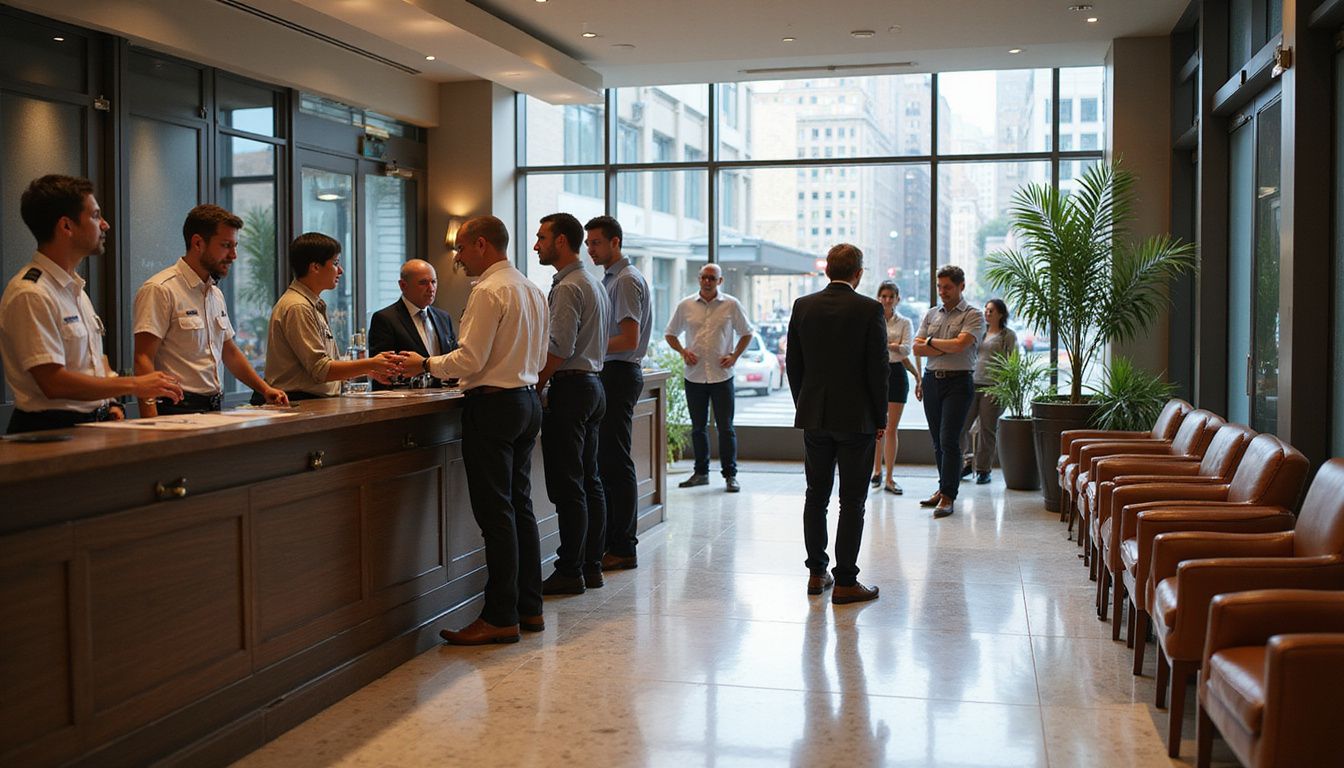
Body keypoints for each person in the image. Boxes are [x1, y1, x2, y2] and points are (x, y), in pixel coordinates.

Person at [401, 216, 548, 646]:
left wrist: (423, 364)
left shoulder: (488, 291)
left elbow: (468, 359)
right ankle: (529, 607)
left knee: (497, 514)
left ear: (481, 245)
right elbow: (539, 356)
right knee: (519, 508)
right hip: (525, 401)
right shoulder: (531, 289)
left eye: (461, 249)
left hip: (494, 406)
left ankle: (501, 615)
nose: (458, 257)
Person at [1, 174, 182, 434]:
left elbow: (92, 362)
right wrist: (135, 385)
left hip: (91, 425)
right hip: (48, 432)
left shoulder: (74, 289)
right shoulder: (31, 292)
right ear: (66, 226)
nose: (105, 225)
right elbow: (53, 383)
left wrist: (109, 403)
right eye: (96, 215)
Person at [785, 243, 887, 605]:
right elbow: (877, 370)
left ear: (827, 270)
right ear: (858, 273)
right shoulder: (869, 309)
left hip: (815, 416)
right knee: (852, 501)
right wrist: (880, 417)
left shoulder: (803, 306)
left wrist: (806, 404)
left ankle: (816, 573)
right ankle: (845, 581)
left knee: (816, 495)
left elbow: (793, 365)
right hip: (856, 419)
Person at [133, 204, 287, 415]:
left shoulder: (215, 294)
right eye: (226, 245)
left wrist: (264, 389)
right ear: (198, 243)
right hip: (175, 409)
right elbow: (143, 358)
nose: (233, 255)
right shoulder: (160, 289)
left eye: (235, 246)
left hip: (214, 409)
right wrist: (149, 420)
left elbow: (229, 351)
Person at [533, 213, 609, 596]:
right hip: (594, 385)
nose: (536, 245)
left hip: (572, 389)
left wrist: (538, 383)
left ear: (561, 241)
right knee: (590, 481)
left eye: (541, 237)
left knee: (569, 486)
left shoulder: (567, 287)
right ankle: (592, 565)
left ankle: (569, 570)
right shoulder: (594, 283)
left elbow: (558, 347)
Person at [261, 233, 403, 402]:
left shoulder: (311, 304)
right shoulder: (298, 306)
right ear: (315, 267)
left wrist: (368, 371)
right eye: (335, 263)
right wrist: (371, 363)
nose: (340, 270)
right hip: (300, 402)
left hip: (312, 401)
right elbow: (321, 369)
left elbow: (324, 366)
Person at [584, 215, 652, 571]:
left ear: (615, 243)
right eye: (588, 243)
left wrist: (588, 344)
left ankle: (624, 546)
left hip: (619, 373)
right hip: (615, 372)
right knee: (610, 460)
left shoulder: (625, 281)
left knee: (615, 461)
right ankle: (617, 541)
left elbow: (629, 339)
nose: (590, 249)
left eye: (596, 243)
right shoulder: (614, 279)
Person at [664, 263, 753, 493]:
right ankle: (701, 473)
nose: (707, 281)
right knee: (698, 428)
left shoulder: (731, 305)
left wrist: (734, 355)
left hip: (722, 376)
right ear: (698, 278)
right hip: (694, 376)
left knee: (726, 428)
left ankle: (730, 475)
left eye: (712, 278)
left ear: (720, 281)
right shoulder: (686, 305)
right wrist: (683, 351)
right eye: (704, 277)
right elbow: (670, 333)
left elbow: (747, 332)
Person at [913, 265, 985, 519]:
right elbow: (916, 348)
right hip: (932, 381)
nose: (942, 292)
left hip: (959, 382)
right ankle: (942, 487)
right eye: (939, 287)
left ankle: (948, 496)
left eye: (948, 287)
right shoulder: (931, 314)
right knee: (937, 441)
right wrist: (945, 347)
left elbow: (961, 345)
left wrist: (931, 343)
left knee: (949, 439)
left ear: (961, 286)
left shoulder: (973, 314)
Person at [367, 258, 457, 388]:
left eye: (433, 282)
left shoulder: (443, 317)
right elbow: (383, 370)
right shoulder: (384, 318)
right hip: (406, 401)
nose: (431, 288)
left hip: (446, 399)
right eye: (423, 283)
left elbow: (453, 359)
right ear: (403, 285)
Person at [869, 281, 921, 495]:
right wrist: (893, 345)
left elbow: (906, 350)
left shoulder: (905, 322)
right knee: (876, 428)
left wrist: (886, 345)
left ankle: (889, 477)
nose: (887, 300)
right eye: (883, 295)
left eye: (891, 296)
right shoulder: (871, 319)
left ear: (897, 299)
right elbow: (869, 348)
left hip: (897, 374)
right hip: (875, 374)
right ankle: (876, 471)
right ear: (878, 297)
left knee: (891, 428)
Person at [960, 298, 1017, 485]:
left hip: (993, 386)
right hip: (973, 383)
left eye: (991, 310)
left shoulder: (1007, 335)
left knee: (987, 429)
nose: (987, 313)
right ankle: (967, 462)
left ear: (1001, 314)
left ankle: (984, 469)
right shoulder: (981, 332)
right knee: (962, 425)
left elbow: (1012, 362)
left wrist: (1005, 387)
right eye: (986, 309)